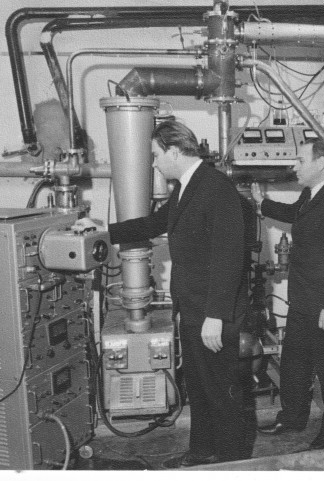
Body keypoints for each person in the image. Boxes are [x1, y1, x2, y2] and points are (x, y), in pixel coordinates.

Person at [102, 120, 249, 466]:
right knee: (199, 387)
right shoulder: (186, 187)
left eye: (156, 155)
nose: (154, 163)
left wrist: (215, 316)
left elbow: (229, 256)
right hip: (193, 306)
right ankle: (202, 452)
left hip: (213, 312)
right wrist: (102, 232)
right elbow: (152, 224)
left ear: (174, 151)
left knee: (221, 393)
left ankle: (234, 463)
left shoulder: (216, 188)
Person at [251, 138, 324, 450]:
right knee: (294, 362)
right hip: (304, 298)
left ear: (321, 163)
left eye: (300, 160)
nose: (294, 166)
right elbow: (295, 213)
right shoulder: (313, 193)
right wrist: (263, 203)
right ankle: (292, 418)